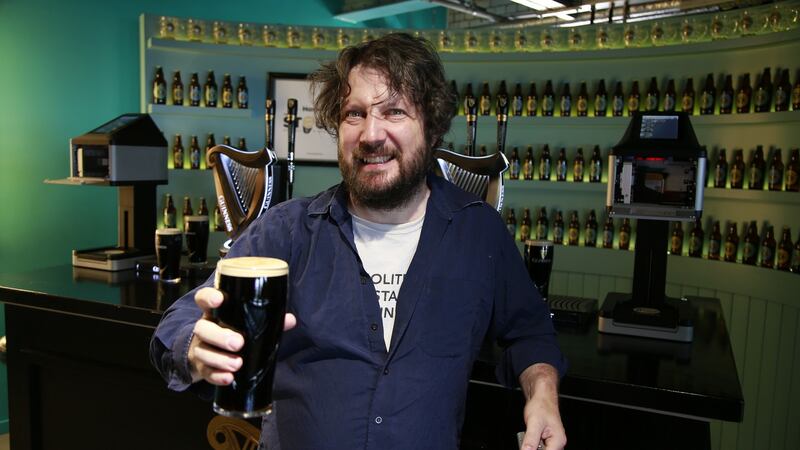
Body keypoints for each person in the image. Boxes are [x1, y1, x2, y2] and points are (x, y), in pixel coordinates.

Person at [150, 32, 567, 450]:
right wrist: (197, 346)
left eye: (395, 112)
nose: (371, 134)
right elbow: (179, 323)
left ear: (432, 128)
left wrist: (543, 394)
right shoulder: (287, 231)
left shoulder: (478, 235)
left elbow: (529, 331)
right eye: (354, 113)